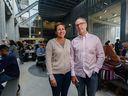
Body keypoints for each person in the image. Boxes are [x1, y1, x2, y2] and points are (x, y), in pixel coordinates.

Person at [71, 17, 105, 96]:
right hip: (78, 74)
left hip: (92, 74)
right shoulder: (74, 41)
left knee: (91, 94)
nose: (79, 26)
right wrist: (73, 74)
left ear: (86, 24)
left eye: (81, 24)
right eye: (77, 25)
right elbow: (71, 58)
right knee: (80, 94)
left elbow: (101, 55)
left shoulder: (95, 39)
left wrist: (96, 69)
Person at [46, 22, 71, 96]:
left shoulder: (69, 42)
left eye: (63, 29)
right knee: (56, 94)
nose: (61, 31)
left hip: (67, 74)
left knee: (65, 94)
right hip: (56, 74)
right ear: (56, 32)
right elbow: (48, 61)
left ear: (65, 31)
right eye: (59, 29)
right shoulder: (51, 43)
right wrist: (51, 77)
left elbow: (71, 57)